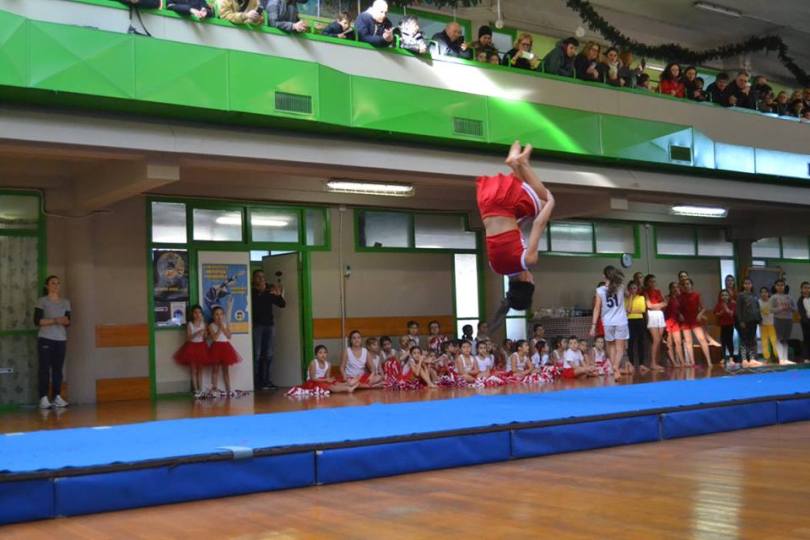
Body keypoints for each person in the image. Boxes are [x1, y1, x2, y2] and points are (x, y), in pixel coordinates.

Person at [476, 141, 555, 323]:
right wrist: (524, 218)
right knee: (530, 206)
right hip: (487, 206)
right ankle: (515, 163)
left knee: (544, 200)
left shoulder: (527, 261)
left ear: (527, 281)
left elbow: (539, 224)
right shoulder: (495, 267)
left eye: (532, 281)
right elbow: (504, 235)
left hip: (503, 204)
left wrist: (552, 204)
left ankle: (523, 163)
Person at [34, 275, 71, 409]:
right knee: (44, 369)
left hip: (61, 339)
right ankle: (43, 398)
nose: (56, 285)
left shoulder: (65, 302)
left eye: (58, 283)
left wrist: (63, 321)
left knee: (58, 370)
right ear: (47, 286)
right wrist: (55, 320)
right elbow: (38, 321)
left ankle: (56, 396)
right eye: (53, 283)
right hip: (45, 338)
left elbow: (68, 321)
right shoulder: (42, 301)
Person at [591, 265, 628, 380]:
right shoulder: (621, 287)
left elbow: (597, 308)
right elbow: (628, 294)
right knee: (620, 348)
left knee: (611, 346)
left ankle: (614, 368)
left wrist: (593, 326)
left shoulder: (600, 290)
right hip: (621, 320)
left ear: (605, 276)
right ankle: (616, 366)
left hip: (607, 322)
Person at [251, 270, 286, 390]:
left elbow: (282, 304)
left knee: (269, 354)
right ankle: (255, 382)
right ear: (253, 279)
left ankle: (267, 381)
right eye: (258, 277)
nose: (261, 279)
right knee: (257, 354)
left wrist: (278, 294)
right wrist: (260, 291)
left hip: (269, 326)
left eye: (263, 277)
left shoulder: (269, 291)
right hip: (257, 326)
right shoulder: (252, 292)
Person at [288, 345, 358, 396]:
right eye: (320, 353)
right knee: (329, 386)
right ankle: (347, 389)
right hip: (312, 382)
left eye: (325, 352)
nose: (323, 355)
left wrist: (329, 380)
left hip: (322, 380)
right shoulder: (313, 363)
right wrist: (326, 380)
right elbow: (313, 378)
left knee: (334, 382)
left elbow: (327, 378)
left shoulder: (328, 364)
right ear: (316, 355)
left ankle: (348, 384)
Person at [173, 304, 209, 398]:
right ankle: (196, 390)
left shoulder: (204, 323)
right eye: (195, 312)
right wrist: (197, 332)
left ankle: (201, 389)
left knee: (200, 370)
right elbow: (188, 338)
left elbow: (205, 337)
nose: (197, 314)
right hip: (192, 347)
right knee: (193, 370)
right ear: (192, 314)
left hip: (201, 346)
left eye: (199, 312)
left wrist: (205, 333)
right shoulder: (190, 324)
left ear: (202, 314)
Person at [208, 306, 242, 397]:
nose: (219, 316)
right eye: (216, 314)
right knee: (215, 370)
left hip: (226, 348)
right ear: (213, 316)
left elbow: (229, 336)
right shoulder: (211, 325)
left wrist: (223, 327)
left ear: (223, 315)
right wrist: (219, 327)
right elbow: (214, 338)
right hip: (216, 348)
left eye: (221, 314)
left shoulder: (226, 324)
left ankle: (228, 389)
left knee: (225, 370)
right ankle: (214, 389)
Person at [679, 279, 713, 368]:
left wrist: (700, 314)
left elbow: (703, 308)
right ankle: (692, 362)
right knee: (688, 341)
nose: (686, 286)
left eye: (688, 284)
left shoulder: (696, 295)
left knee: (702, 339)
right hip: (685, 321)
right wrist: (680, 314)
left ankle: (709, 361)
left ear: (691, 285)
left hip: (695, 320)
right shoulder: (680, 296)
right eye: (684, 284)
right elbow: (677, 309)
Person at [736, 278, 763, 368]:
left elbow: (757, 309)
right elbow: (738, 309)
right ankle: (744, 359)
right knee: (744, 341)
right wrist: (741, 321)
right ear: (743, 285)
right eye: (745, 283)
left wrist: (759, 319)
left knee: (752, 340)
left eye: (749, 283)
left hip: (753, 321)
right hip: (745, 321)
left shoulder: (754, 295)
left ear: (751, 285)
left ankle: (752, 359)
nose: (747, 285)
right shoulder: (740, 295)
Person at [643, 275, 666, 372]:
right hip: (651, 315)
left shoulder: (658, 291)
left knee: (659, 339)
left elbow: (665, 303)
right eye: (650, 281)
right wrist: (658, 305)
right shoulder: (645, 292)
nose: (653, 283)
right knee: (656, 339)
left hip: (660, 315)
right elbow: (649, 305)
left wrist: (656, 306)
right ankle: (652, 363)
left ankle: (656, 362)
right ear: (647, 282)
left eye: (654, 281)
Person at [770, 279, 797, 364]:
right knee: (779, 339)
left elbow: (795, 309)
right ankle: (781, 359)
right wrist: (780, 308)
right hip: (778, 320)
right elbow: (771, 309)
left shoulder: (789, 297)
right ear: (775, 286)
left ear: (785, 286)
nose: (780, 287)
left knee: (786, 339)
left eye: (782, 285)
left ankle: (785, 358)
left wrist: (789, 308)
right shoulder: (773, 297)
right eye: (778, 285)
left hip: (788, 320)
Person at [625, 281, 647, 373]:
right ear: (628, 289)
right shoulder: (625, 299)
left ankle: (641, 364)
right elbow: (626, 311)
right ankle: (632, 364)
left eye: (634, 288)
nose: (633, 290)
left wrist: (631, 310)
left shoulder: (641, 297)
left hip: (639, 321)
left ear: (637, 289)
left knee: (640, 342)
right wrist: (630, 301)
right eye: (631, 288)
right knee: (630, 343)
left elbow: (642, 309)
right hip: (629, 321)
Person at [714, 289, 737, 367]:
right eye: (722, 295)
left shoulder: (732, 304)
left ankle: (731, 357)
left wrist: (726, 309)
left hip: (730, 324)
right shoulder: (718, 304)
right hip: (722, 325)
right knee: (723, 341)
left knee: (729, 341)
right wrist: (721, 312)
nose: (724, 297)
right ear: (720, 296)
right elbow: (716, 313)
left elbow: (732, 314)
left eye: (726, 295)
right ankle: (724, 357)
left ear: (729, 296)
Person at [664, 281, 685, 367]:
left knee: (678, 342)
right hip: (668, 321)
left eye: (676, 287)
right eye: (673, 287)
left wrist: (680, 314)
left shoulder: (679, 298)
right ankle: (673, 362)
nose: (675, 289)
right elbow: (664, 309)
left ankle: (682, 361)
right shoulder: (667, 298)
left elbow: (682, 309)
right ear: (670, 289)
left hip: (676, 322)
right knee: (669, 343)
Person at [759, 287, 779, 363]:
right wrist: (759, 321)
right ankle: (767, 358)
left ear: (768, 293)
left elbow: (777, 311)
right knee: (764, 341)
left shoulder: (772, 301)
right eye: (762, 292)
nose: (764, 294)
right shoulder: (758, 302)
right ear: (760, 294)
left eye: (765, 292)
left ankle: (778, 357)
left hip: (772, 324)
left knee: (774, 341)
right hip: (763, 325)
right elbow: (757, 313)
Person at [798, 281, 810, 362]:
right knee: (807, 339)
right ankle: (806, 357)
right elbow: (802, 313)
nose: (807, 289)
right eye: (805, 287)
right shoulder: (800, 300)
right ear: (801, 289)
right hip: (806, 322)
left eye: (809, 288)